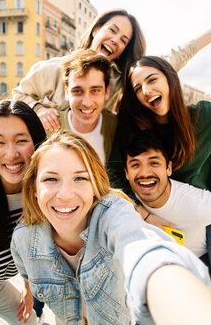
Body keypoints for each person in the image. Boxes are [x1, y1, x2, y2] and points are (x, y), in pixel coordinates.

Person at [11, 131, 211, 325]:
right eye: (51, 179)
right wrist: (28, 290)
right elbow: (26, 272)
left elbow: (141, 246)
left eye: (80, 178)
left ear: (95, 186)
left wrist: (170, 285)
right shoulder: (23, 239)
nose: (65, 194)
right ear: (34, 189)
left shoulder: (113, 214)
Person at [12, 9, 210, 131]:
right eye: (112, 30)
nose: (116, 40)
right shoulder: (52, 68)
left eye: (124, 40)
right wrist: (38, 108)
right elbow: (17, 96)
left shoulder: (120, 81)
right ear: (97, 29)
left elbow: (175, 57)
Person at [109, 55, 211, 258]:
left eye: (152, 79)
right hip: (156, 221)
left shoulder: (204, 116)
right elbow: (114, 176)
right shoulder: (133, 128)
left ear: (169, 78)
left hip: (203, 214)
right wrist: (143, 215)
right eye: (137, 88)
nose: (146, 91)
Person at [0, 100, 46, 324]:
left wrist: (27, 285)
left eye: (21, 140)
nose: (11, 154)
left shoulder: (45, 193)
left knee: (29, 321)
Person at [124, 130, 211, 270]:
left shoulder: (197, 204)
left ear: (168, 168)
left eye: (154, 163)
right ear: (126, 173)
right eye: (135, 165)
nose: (145, 173)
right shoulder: (122, 201)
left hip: (197, 267)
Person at [47, 48, 117, 165]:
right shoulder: (48, 129)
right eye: (77, 91)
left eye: (95, 90)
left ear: (107, 92)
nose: (87, 102)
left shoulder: (117, 127)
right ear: (67, 92)